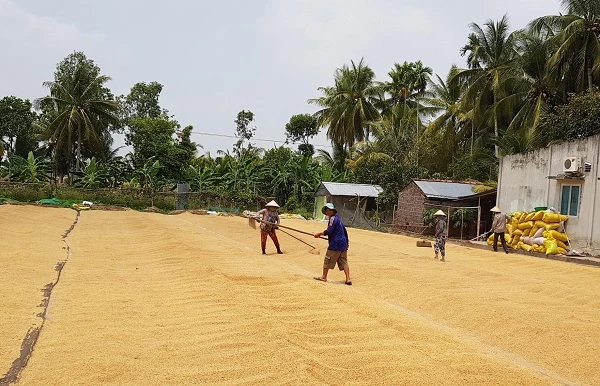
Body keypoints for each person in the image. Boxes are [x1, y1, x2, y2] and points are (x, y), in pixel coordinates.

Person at [313, 203, 352, 285]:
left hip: (335, 244)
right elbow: (345, 232)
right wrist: (346, 243)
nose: (328, 212)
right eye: (327, 210)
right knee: (344, 261)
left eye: (329, 210)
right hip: (343, 243)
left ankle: (324, 277)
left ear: (333, 211)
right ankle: (348, 279)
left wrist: (319, 234)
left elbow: (329, 231)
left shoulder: (332, 219)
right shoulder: (339, 219)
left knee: (327, 259)